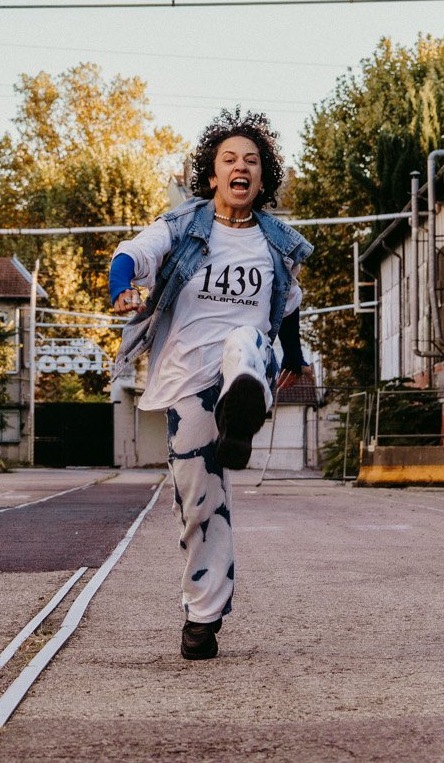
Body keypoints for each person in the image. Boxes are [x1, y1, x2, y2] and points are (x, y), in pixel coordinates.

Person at [107, 108, 311, 660]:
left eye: (251, 161)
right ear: (213, 174)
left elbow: (288, 304)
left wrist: (293, 355)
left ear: (262, 178)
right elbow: (132, 253)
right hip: (185, 380)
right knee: (200, 502)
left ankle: (240, 410)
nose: (240, 168)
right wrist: (120, 286)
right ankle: (203, 615)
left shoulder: (278, 242)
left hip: (249, 361)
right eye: (229, 160)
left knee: (243, 340)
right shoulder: (182, 227)